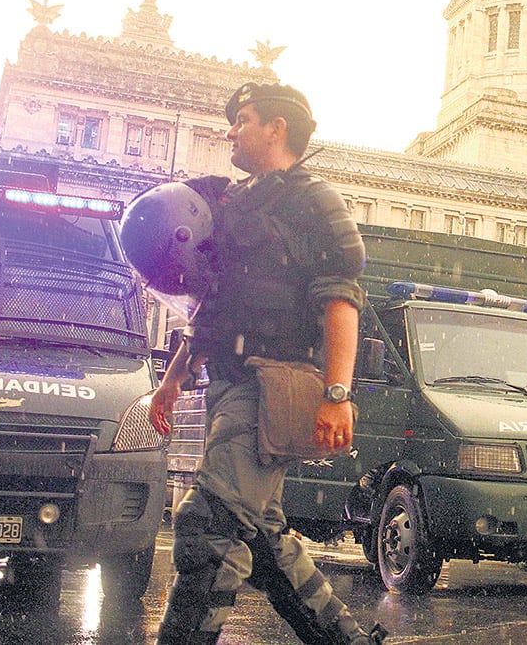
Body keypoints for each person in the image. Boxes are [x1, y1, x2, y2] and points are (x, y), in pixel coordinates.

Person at [147, 82, 386, 644]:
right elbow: (216, 307)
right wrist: (173, 381)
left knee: (209, 527)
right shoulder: (238, 203)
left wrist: (337, 394)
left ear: (278, 128)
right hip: (228, 386)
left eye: (244, 119)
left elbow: (340, 300)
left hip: (272, 386)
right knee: (261, 536)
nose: (231, 129)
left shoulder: (314, 200)